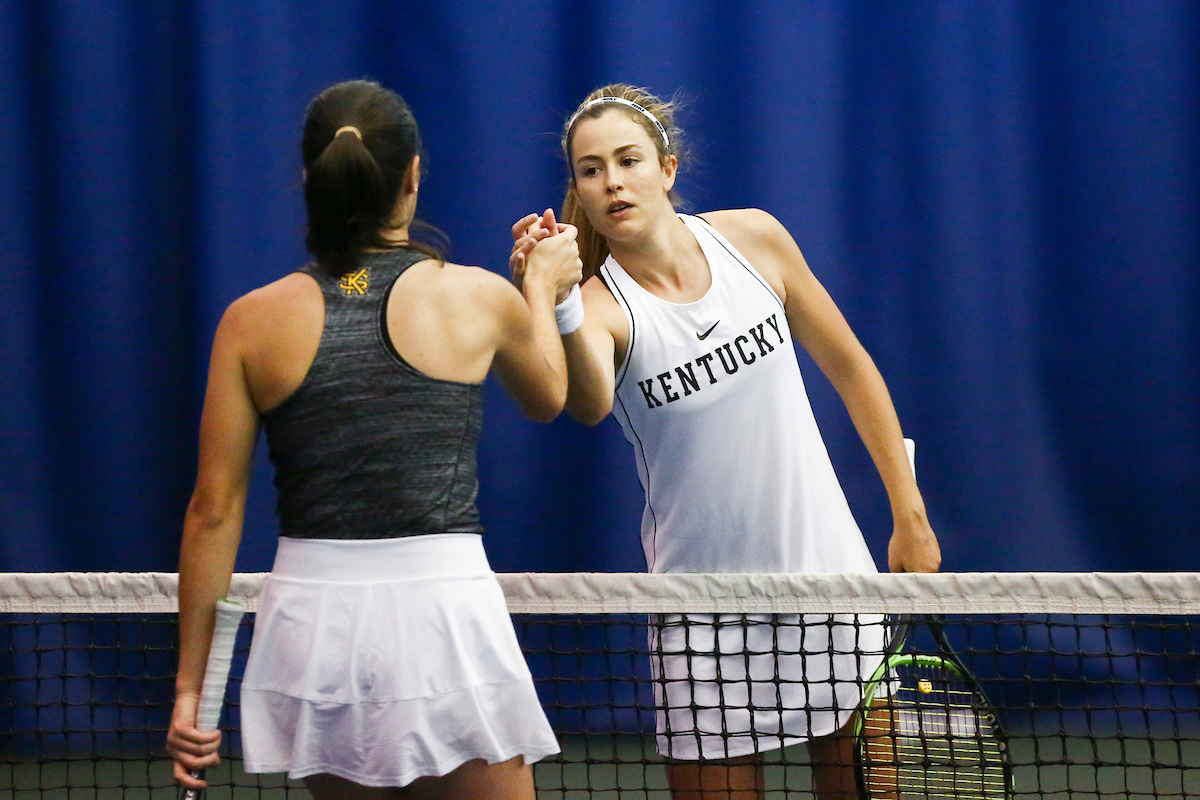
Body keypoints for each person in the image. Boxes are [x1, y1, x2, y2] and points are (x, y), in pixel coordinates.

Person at [510, 85, 942, 800]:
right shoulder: (599, 308)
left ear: (668, 168)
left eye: (627, 160)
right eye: (591, 170)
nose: (612, 181)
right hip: (704, 623)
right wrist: (552, 297)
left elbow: (852, 368)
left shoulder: (755, 240)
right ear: (579, 193)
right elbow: (585, 403)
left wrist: (911, 515)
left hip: (831, 590)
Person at [166, 79, 582, 800]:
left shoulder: (250, 321)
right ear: (413, 174)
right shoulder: (478, 296)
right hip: (442, 617)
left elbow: (212, 511)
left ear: (309, 177)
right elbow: (550, 395)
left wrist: (186, 692)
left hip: (311, 625)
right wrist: (542, 287)